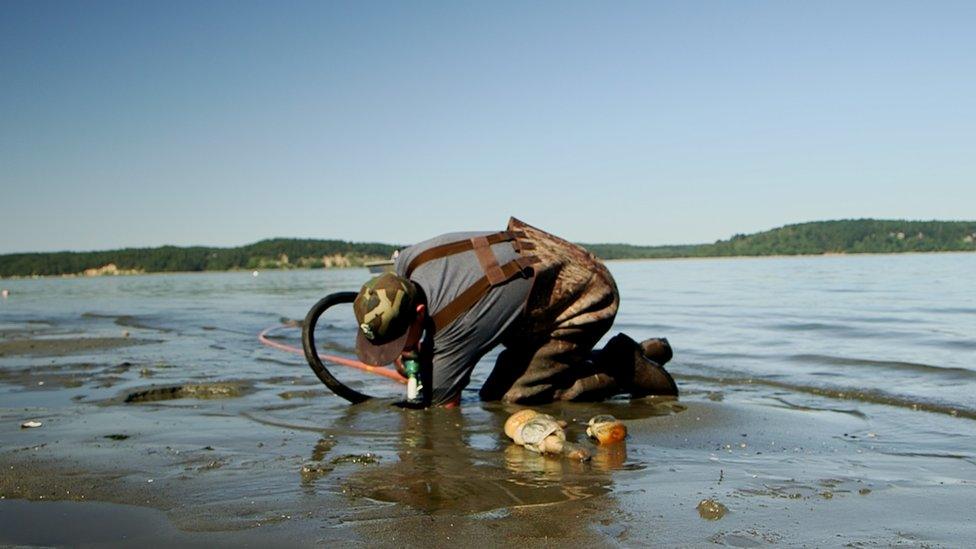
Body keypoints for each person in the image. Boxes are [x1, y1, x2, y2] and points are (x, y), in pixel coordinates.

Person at [353, 217, 677, 407]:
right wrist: (411, 349)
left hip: (585, 296)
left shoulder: (454, 323)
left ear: (420, 312)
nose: (396, 348)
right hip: (544, 271)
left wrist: (420, 370)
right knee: (510, 366)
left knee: (511, 396)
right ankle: (647, 350)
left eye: (398, 339)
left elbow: (443, 406)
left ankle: (622, 368)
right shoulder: (408, 261)